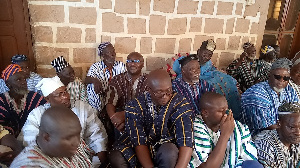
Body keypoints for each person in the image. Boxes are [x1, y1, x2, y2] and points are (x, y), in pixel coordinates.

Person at [109, 69, 193, 168]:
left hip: (165, 148)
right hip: (140, 149)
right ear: (149, 89)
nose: (165, 96)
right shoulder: (135, 106)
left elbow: (186, 140)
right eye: (159, 92)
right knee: (116, 157)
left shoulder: (180, 104)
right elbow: (138, 141)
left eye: (168, 90)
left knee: (169, 151)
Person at [19, 76, 108, 166]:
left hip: (83, 159)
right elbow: (31, 141)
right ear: (47, 99)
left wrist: (97, 162)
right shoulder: (37, 115)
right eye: (59, 95)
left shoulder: (83, 108)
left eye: (66, 92)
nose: (65, 97)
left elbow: (97, 136)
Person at [173, 39, 241, 120]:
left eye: (209, 55)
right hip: (191, 121)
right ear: (198, 51)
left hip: (206, 118)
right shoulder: (179, 84)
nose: (206, 57)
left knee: (226, 81)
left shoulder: (205, 84)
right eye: (204, 54)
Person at [189, 92, 261, 168]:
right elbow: (207, 166)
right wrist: (225, 134)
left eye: (227, 109)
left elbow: (249, 156)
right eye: (221, 111)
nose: (226, 114)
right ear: (205, 113)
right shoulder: (197, 128)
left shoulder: (236, 126)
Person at [10, 106, 93, 167]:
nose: (77, 142)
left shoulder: (70, 143)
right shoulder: (30, 165)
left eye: (78, 134)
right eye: (68, 138)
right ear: (46, 137)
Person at [241, 58, 299, 135]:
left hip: (286, 132)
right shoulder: (256, 95)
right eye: (278, 77)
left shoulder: (289, 90)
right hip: (258, 137)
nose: (281, 81)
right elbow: (268, 126)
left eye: (286, 78)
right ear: (269, 75)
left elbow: (296, 113)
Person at [106, 52, 147, 138]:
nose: (132, 64)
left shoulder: (148, 80)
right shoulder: (117, 79)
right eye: (129, 61)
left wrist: (126, 114)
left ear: (142, 64)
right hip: (121, 120)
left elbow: (148, 105)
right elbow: (110, 102)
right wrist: (115, 120)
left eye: (136, 61)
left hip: (141, 117)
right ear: (126, 64)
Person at [0, 64, 46, 136]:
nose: (24, 82)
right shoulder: (2, 101)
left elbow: (45, 117)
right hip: (9, 141)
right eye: (18, 80)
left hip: (34, 138)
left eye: (24, 79)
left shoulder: (34, 97)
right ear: (8, 84)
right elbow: (2, 128)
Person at [254, 102, 300, 167]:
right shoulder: (265, 145)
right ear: (279, 124)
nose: (298, 133)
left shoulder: (294, 141)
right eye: (291, 127)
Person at [85, 42, 126, 113]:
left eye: (113, 51)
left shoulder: (121, 65)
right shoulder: (96, 67)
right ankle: (98, 112)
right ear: (103, 55)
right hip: (102, 97)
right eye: (109, 52)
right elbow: (86, 79)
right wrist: (95, 80)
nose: (113, 54)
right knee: (91, 85)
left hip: (117, 96)